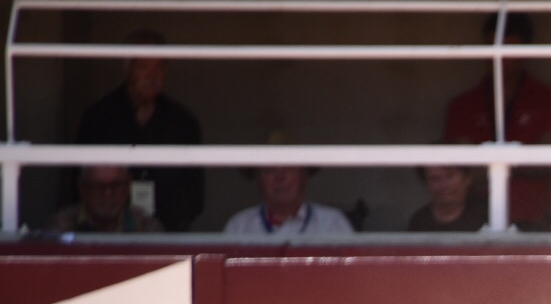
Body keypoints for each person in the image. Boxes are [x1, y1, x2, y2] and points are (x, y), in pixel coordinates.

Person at [443, 12, 551, 230]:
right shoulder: (462, 105)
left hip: (533, 218)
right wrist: (522, 159)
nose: (498, 57)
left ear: (525, 52)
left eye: (508, 49)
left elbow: (548, 162)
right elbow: (460, 169)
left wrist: (495, 163)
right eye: (491, 48)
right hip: (472, 219)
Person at [74, 29, 204, 233]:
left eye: (159, 66)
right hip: (107, 235)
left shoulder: (183, 122)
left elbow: (195, 193)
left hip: (168, 236)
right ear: (126, 68)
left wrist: (169, 228)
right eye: (143, 66)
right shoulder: (98, 118)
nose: (152, 75)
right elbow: (77, 184)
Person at [223, 162, 354, 235]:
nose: (280, 178)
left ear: (304, 177)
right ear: (258, 180)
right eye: (270, 170)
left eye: (289, 168)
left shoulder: (333, 223)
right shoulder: (239, 226)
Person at [47, 165, 162, 234]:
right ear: (82, 188)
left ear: (127, 186)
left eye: (116, 185)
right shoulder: (60, 228)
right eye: (98, 186)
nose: (108, 194)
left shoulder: (147, 227)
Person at [407, 164, 488, 232]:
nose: (444, 185)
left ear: (467, 179)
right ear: (426, 184)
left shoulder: (487, 215)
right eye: (435, 179)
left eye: (450, 176)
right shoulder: (419, 221)